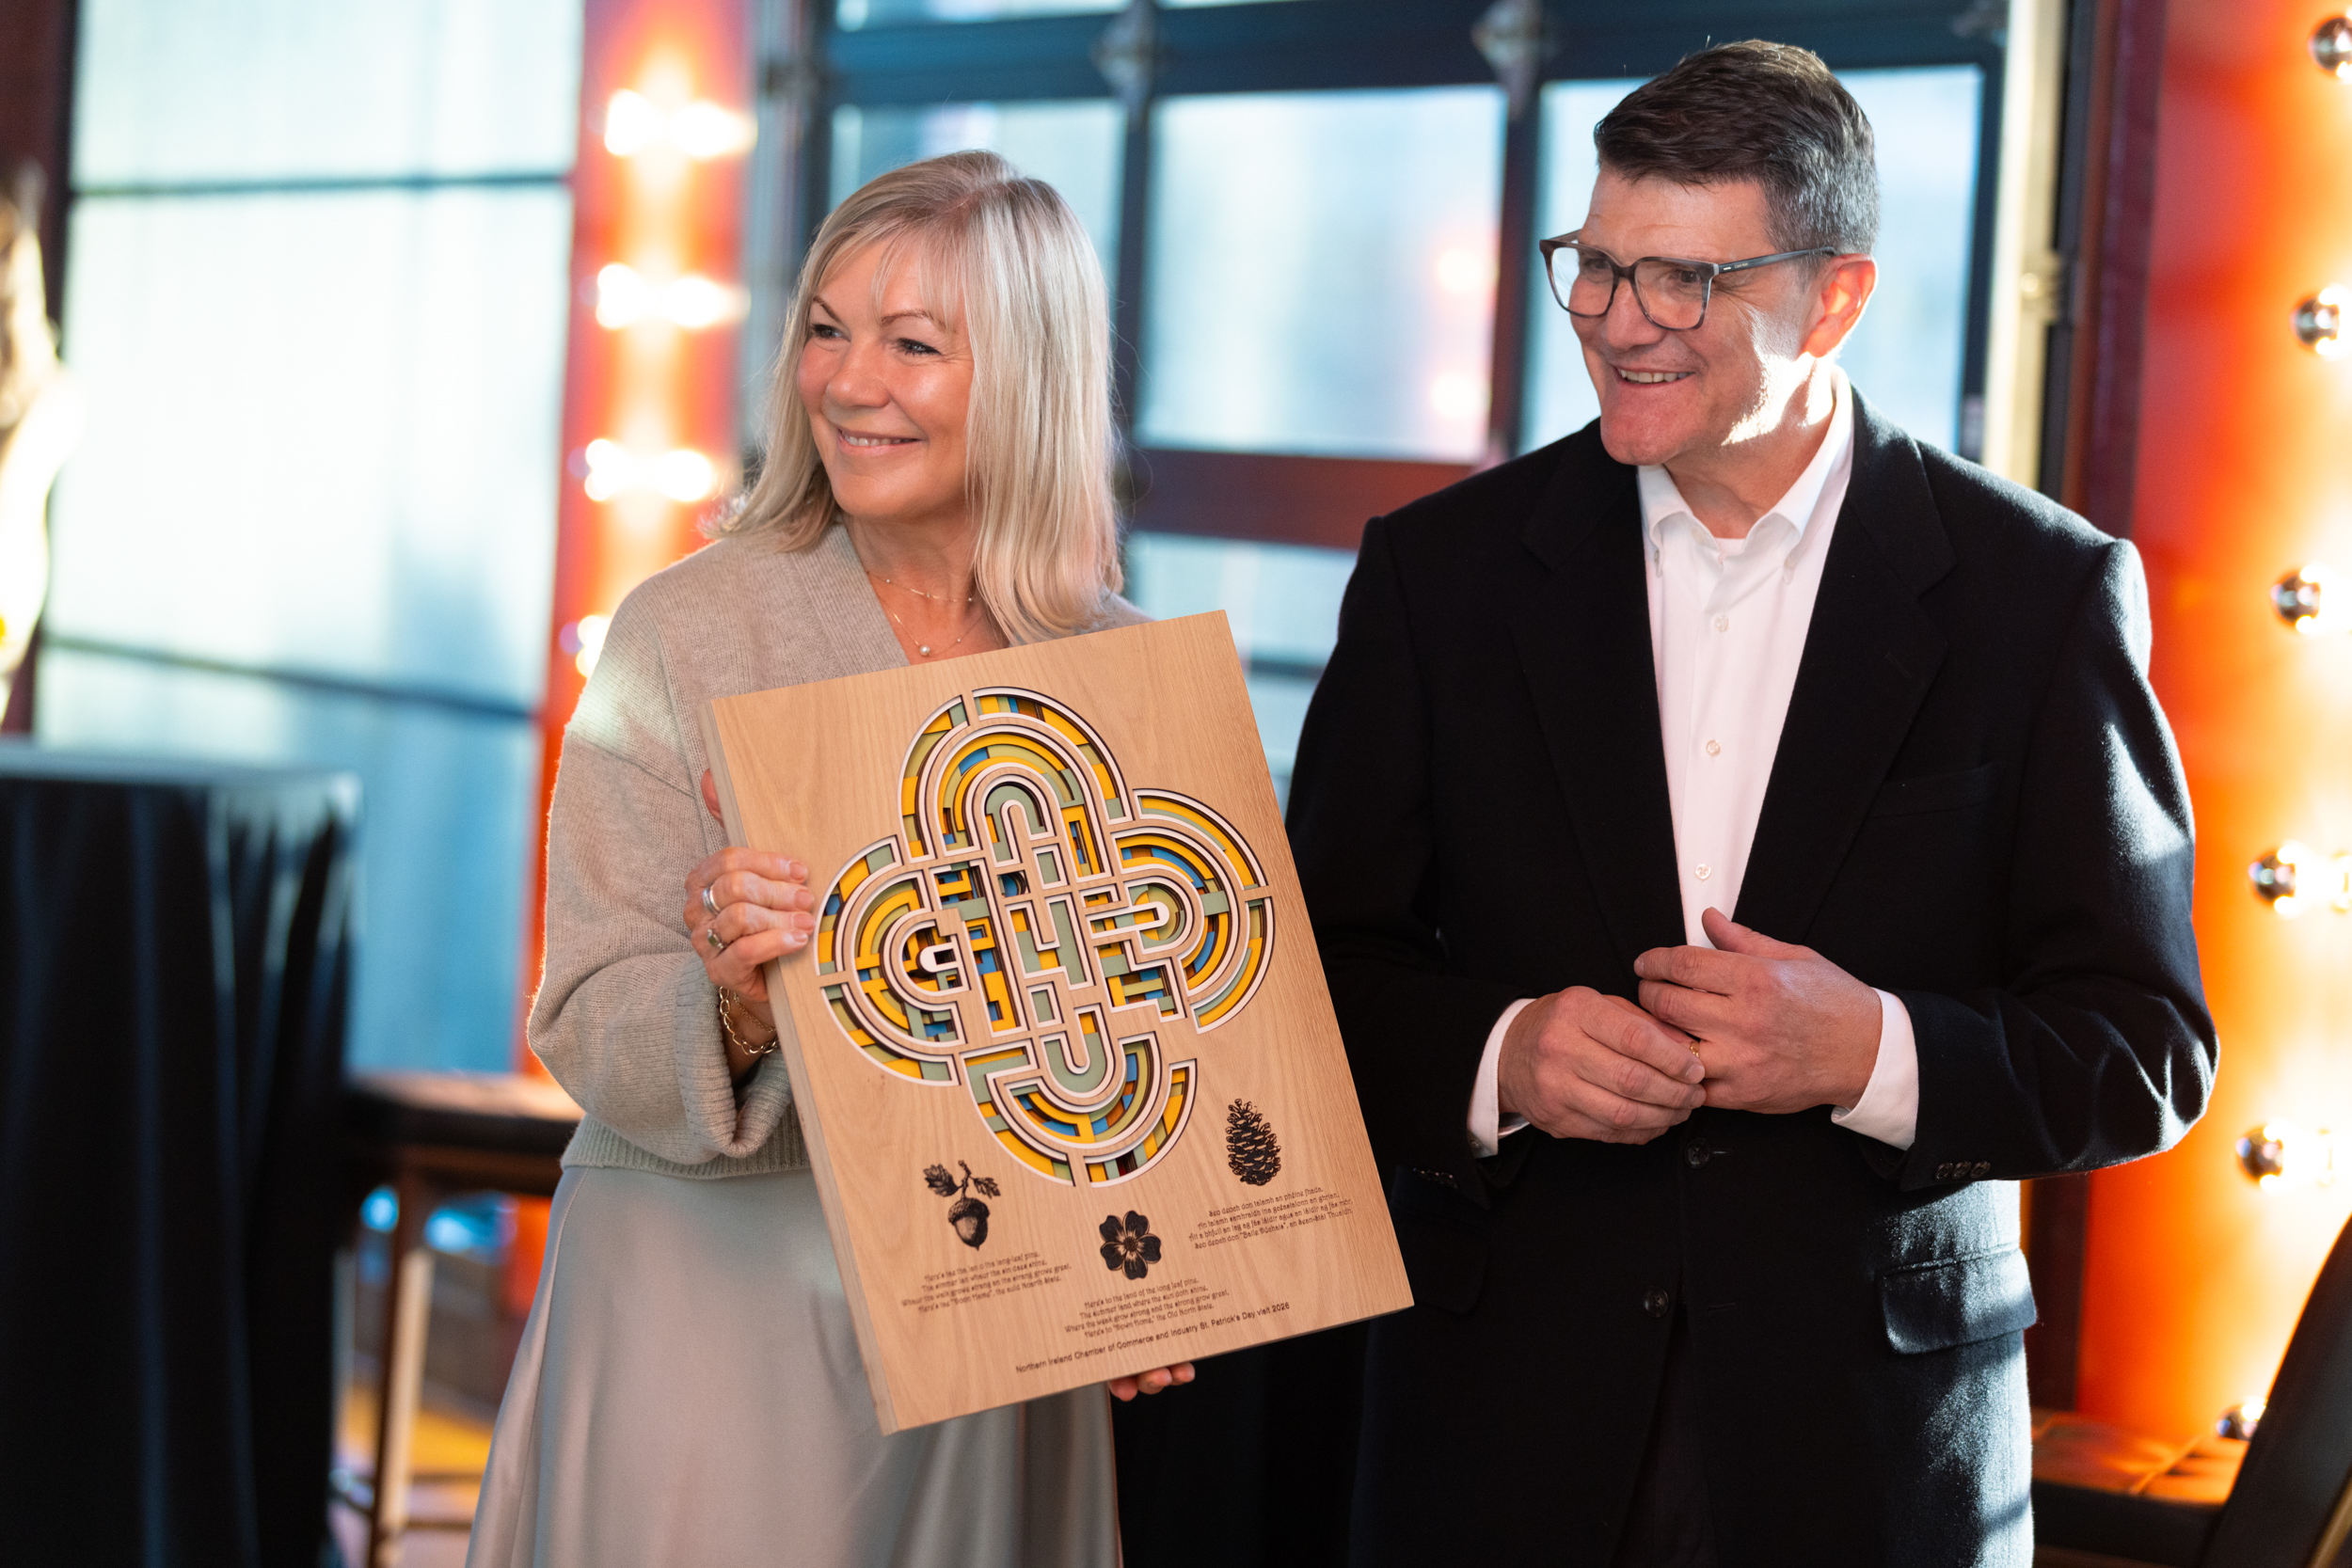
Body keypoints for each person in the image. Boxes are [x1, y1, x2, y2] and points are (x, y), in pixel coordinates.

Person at [1286, 41, 2213, 1568]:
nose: (1616, 323)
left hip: (1873, 1454)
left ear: (1835, 298)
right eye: (1596, 267)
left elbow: (2144, 1050)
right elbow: (1304, 978)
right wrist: (1502, 1057)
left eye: (1683, 282)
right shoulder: (1436, 576)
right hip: (1497, 1430)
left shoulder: (2040, 595)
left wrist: (1873, 1052)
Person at [468, 150, 1188, 1568]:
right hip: (711, 1285)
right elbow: (587, 1011)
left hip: (993, 1303)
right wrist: (738, 1005)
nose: (849, 383)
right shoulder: (685, 628)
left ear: (1030, 373)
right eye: (824, 329)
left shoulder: (1121, 671)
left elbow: (1166, 1041)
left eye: (913, 345)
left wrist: (1158, 1269)